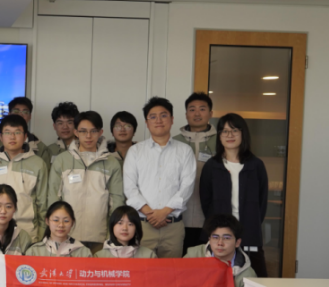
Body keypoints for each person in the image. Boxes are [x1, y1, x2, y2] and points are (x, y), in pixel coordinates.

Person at [200, 113, 288, 287]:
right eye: (224, 131)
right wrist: (219, 235)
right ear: (219, 136)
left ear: (243, 134)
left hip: (248, 239)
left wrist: (245, 233)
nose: (229, 135)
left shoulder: (256, 165)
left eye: (234, 130)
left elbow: (261, 205)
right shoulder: (212, 166)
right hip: (219, 242)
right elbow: (206, 203)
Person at [123, 97, 196, 259]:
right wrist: (151, 214)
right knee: (141, 272)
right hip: (143, 226)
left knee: (172, 272)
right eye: (153, 116)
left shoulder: (184, 151)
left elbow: (187, 186)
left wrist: (164, 212)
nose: (158, 120)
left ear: (172, 119)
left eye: (163, 115)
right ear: (146, 122)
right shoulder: (135, 151)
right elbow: (129, 188)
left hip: (173, 228)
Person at [48, 111, 124, 253]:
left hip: (100, 236)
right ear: (76, 132)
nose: (88, 136)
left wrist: (112, 234)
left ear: (100, 132)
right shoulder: (62, 160)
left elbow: (116, 201)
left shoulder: (111, 162)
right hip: (67, 235)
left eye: (93, 131)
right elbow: (53, 198)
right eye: (83, 131)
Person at [0, 114, 48, 242]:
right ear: (1, 137)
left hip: (27, 230)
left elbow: (42, 203)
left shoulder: (38, 163)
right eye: (7, 132)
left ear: (25, 136)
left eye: (17, 132)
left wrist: (42, 234)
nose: (12, 137)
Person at [174, 92, 218, 254]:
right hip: (180, 215)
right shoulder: (174, 142)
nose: (197, 113)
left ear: (210, 113)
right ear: (186, 114)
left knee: (206, 261)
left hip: (209, 215)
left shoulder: (221, 141)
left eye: (202, 109)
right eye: (192, 109)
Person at [25, 201, 91, 258]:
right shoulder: (34, 251)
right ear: (47, 221)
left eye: (66, 221)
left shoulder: (84, 253)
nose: (61, 225)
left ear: (72, 223)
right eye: (56, 220)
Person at [8, 97, 51, 164]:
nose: (20, 115)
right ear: (9, 114)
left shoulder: (41, 148)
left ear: (30, 116)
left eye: (25, 112)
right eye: (16, 111)